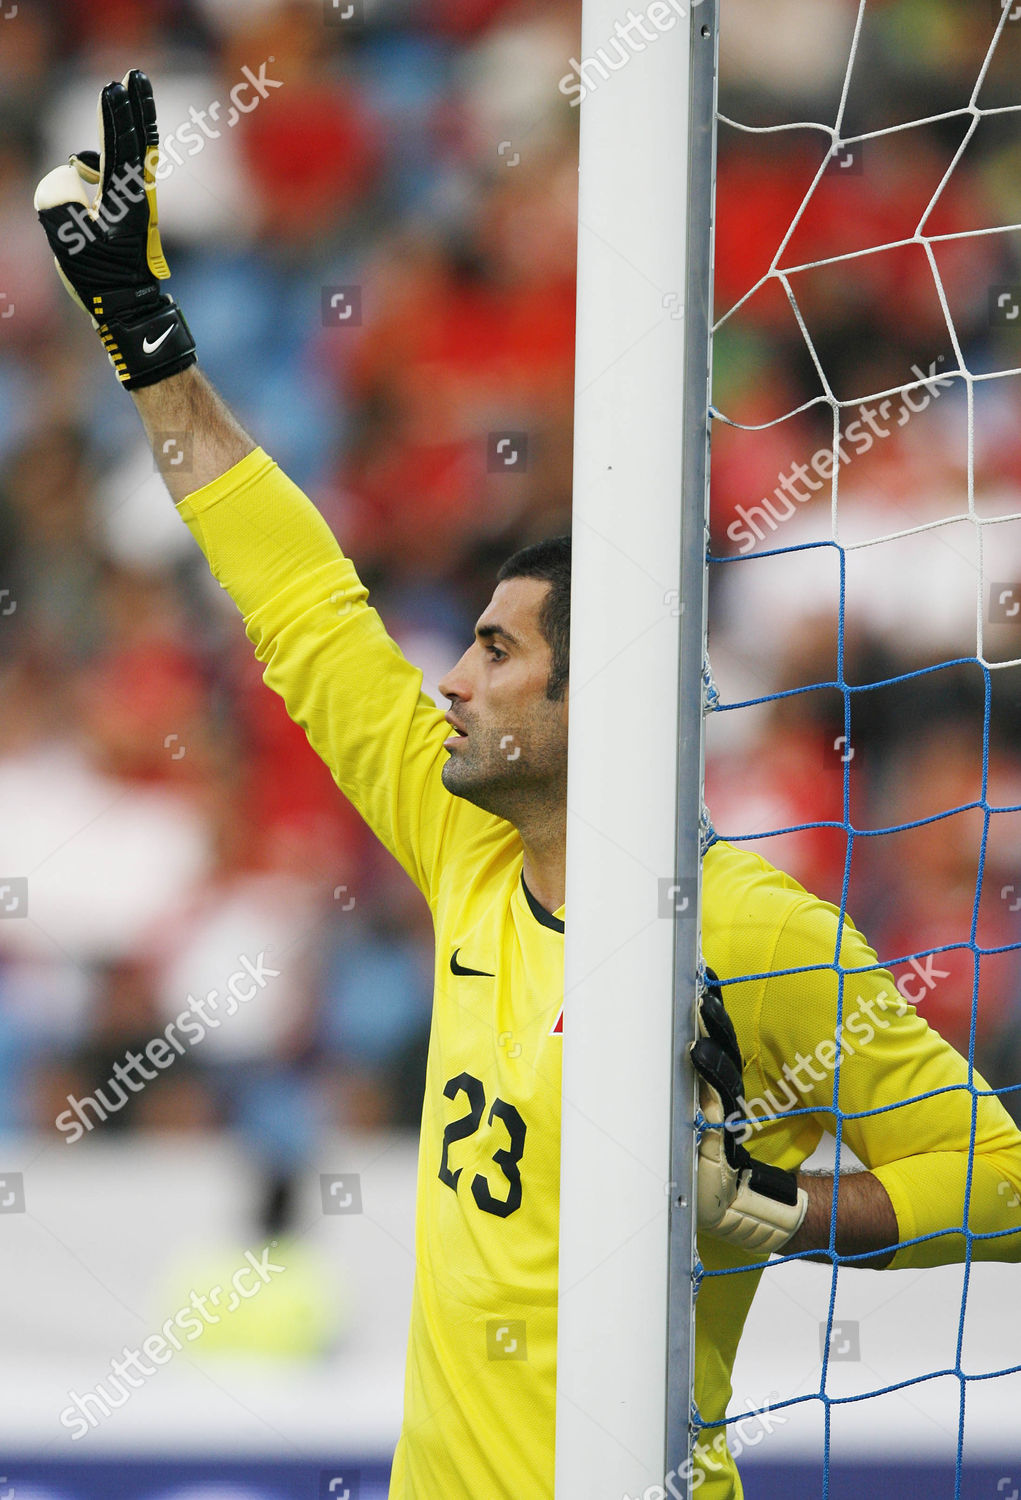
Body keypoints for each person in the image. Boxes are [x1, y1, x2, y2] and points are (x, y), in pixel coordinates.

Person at [34, 72, 1021, 1500]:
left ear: (594, 704)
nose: (451, 680)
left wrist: (781, 1209)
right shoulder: (462, 847)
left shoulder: (743, 936)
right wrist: (147, 343)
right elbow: (303, 607)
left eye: (495, 652)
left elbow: (997, 1178)